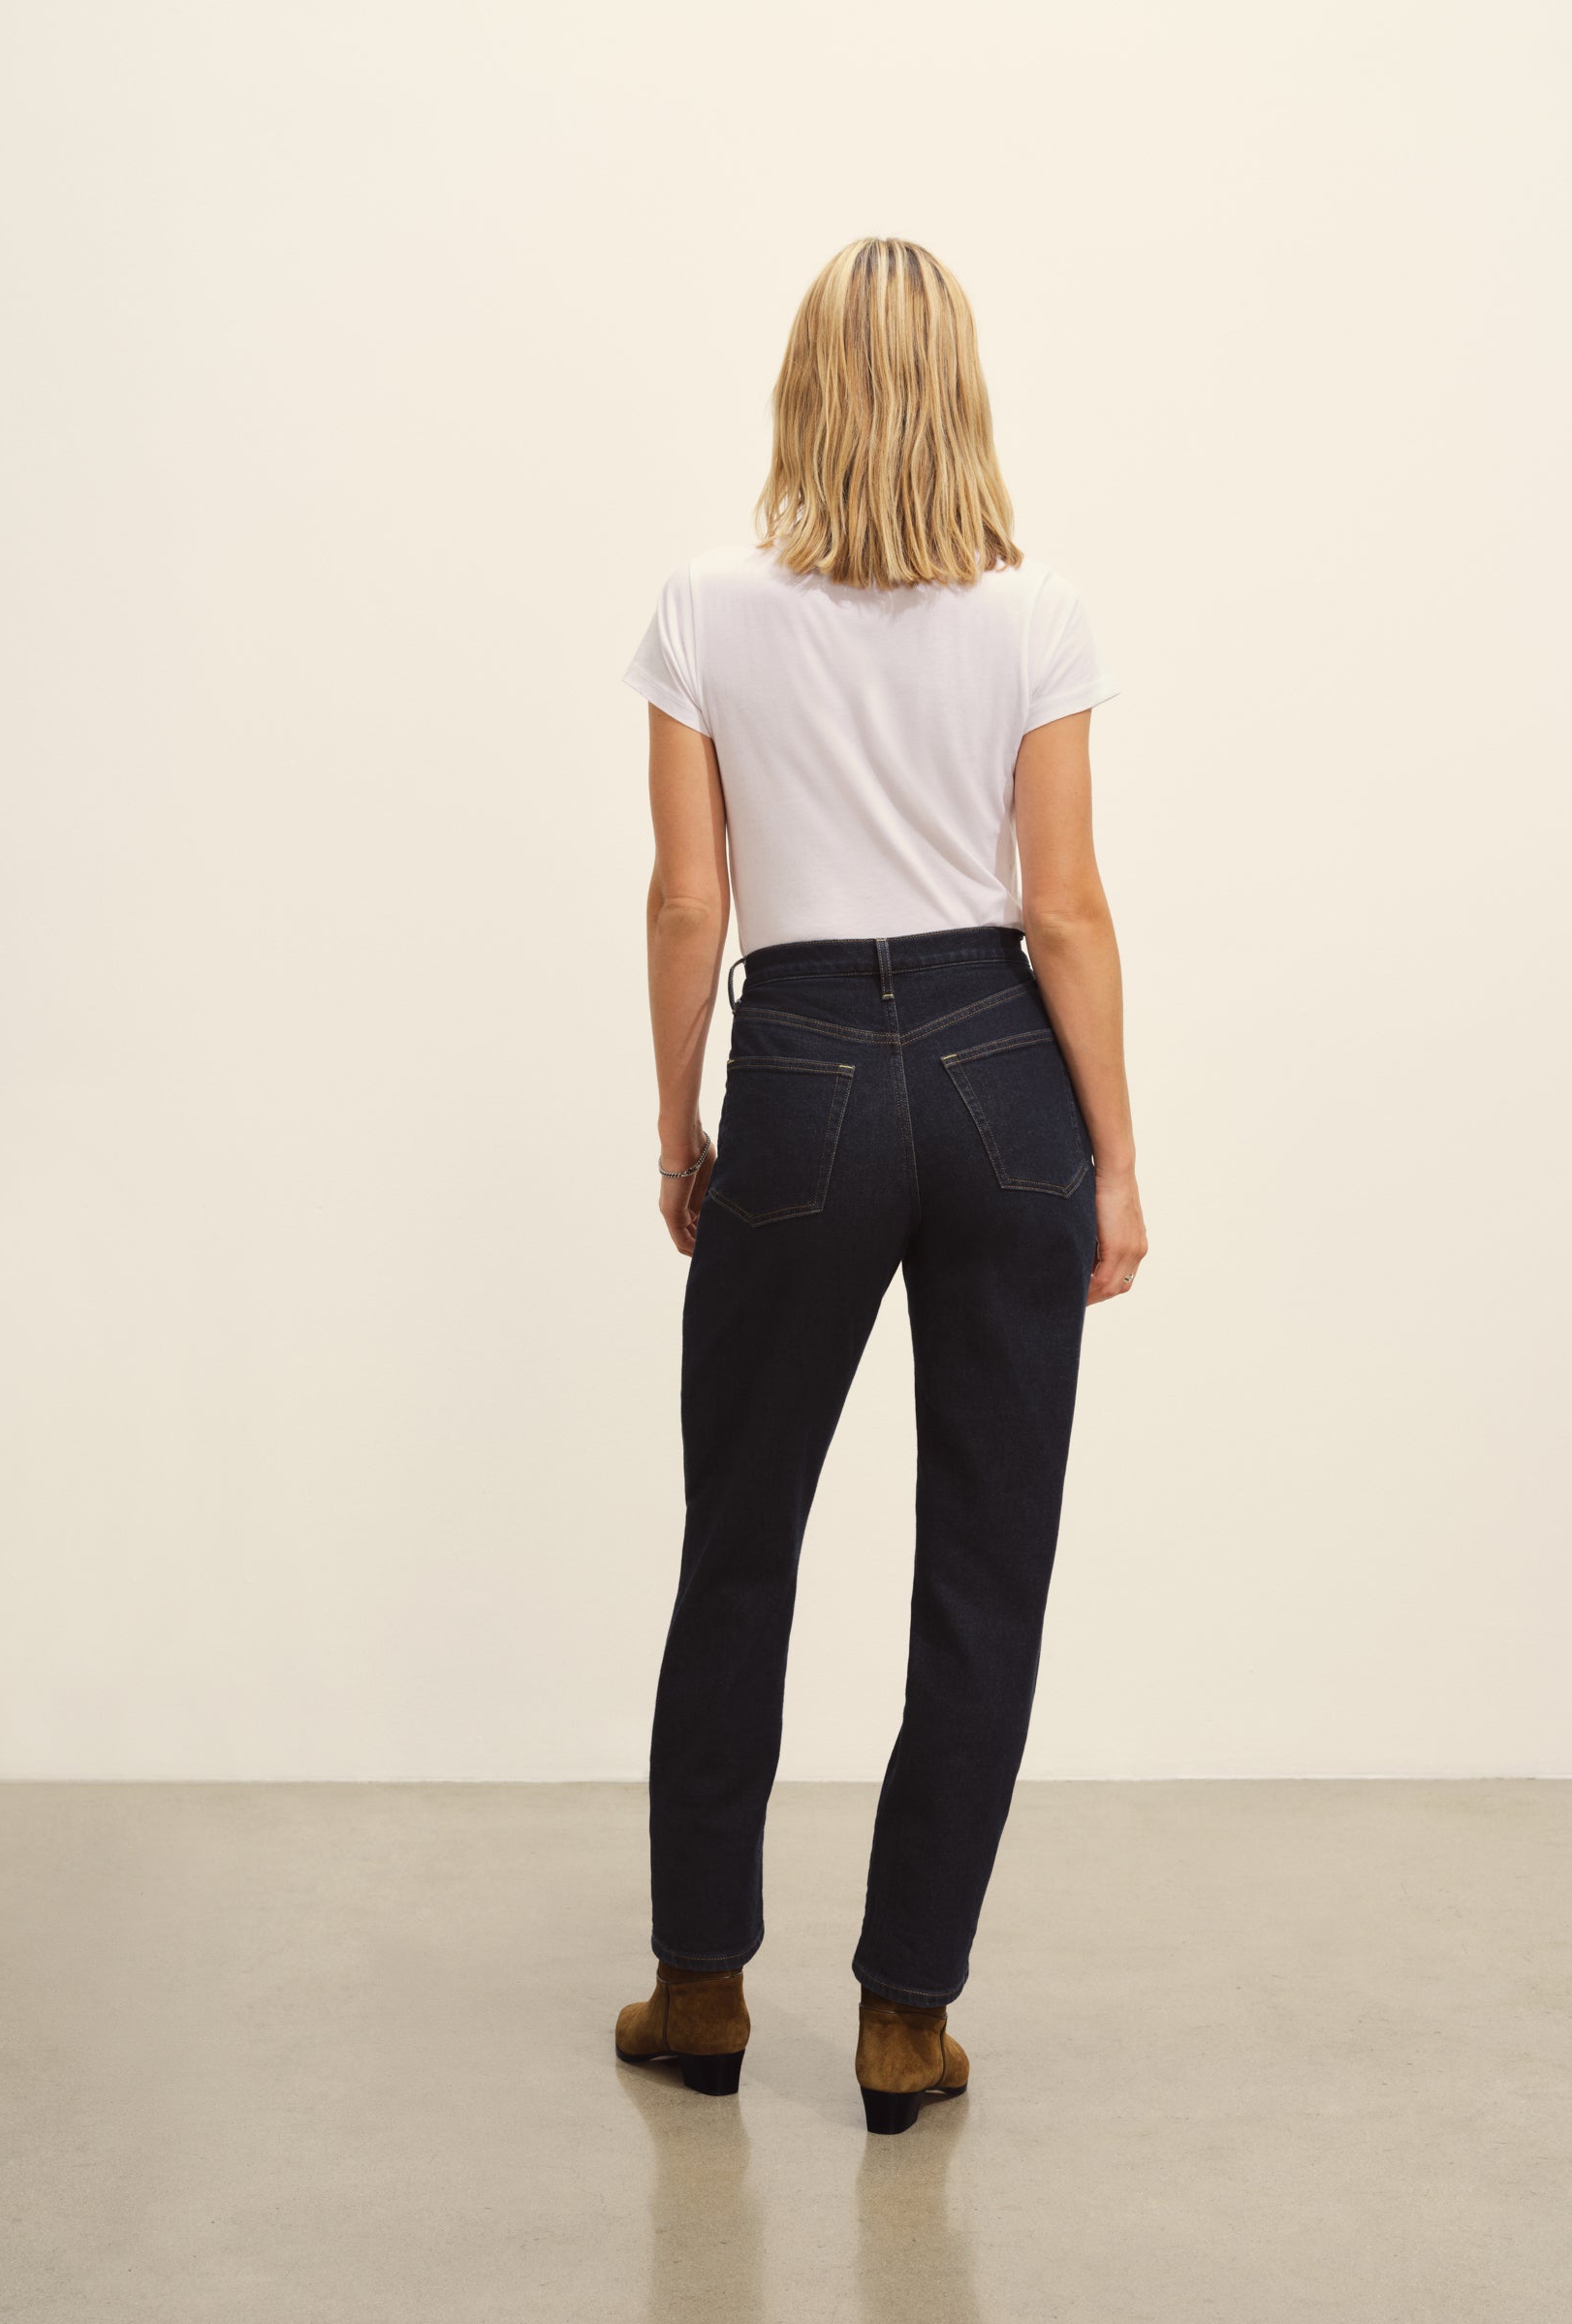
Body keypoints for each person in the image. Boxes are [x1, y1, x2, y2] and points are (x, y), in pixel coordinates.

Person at [612, 236, 1148, 2136]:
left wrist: (681, 1123)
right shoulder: (1039, 614)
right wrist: (1115, 1157)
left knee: (740, 1539)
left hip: (806, 1068)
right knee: (987, 1558)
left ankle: (701, 1984)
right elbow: (1064, 911)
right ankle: (906, 2018)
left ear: (804, 389)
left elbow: (692, 900)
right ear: (961, 396)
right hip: (1005, 1071)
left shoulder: (703, 607)